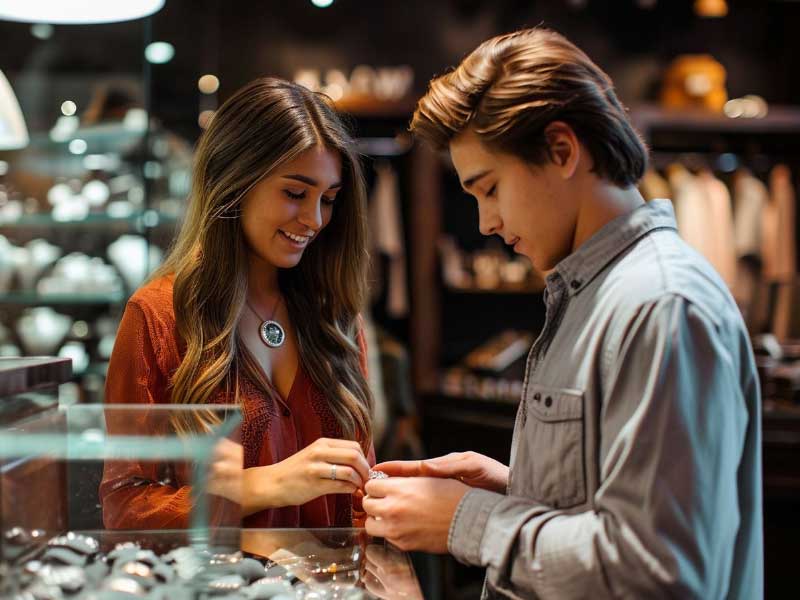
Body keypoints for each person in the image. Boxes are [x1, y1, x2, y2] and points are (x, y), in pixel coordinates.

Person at [363, 27, 763, 599]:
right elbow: (612, 513)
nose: (485, 223)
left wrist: (468, 520)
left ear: (561, 150)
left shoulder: (660, 306)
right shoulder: (595, 294)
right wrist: (510, 490)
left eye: (490, 188)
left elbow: (660, 572)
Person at [101, 78, 376, 530]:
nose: (314, 220)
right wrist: (261, 486)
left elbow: (357, 491)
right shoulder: (159, 317)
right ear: (234, 181)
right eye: (294, 193)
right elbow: (124, 507)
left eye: (328, 199)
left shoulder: (335, 316)